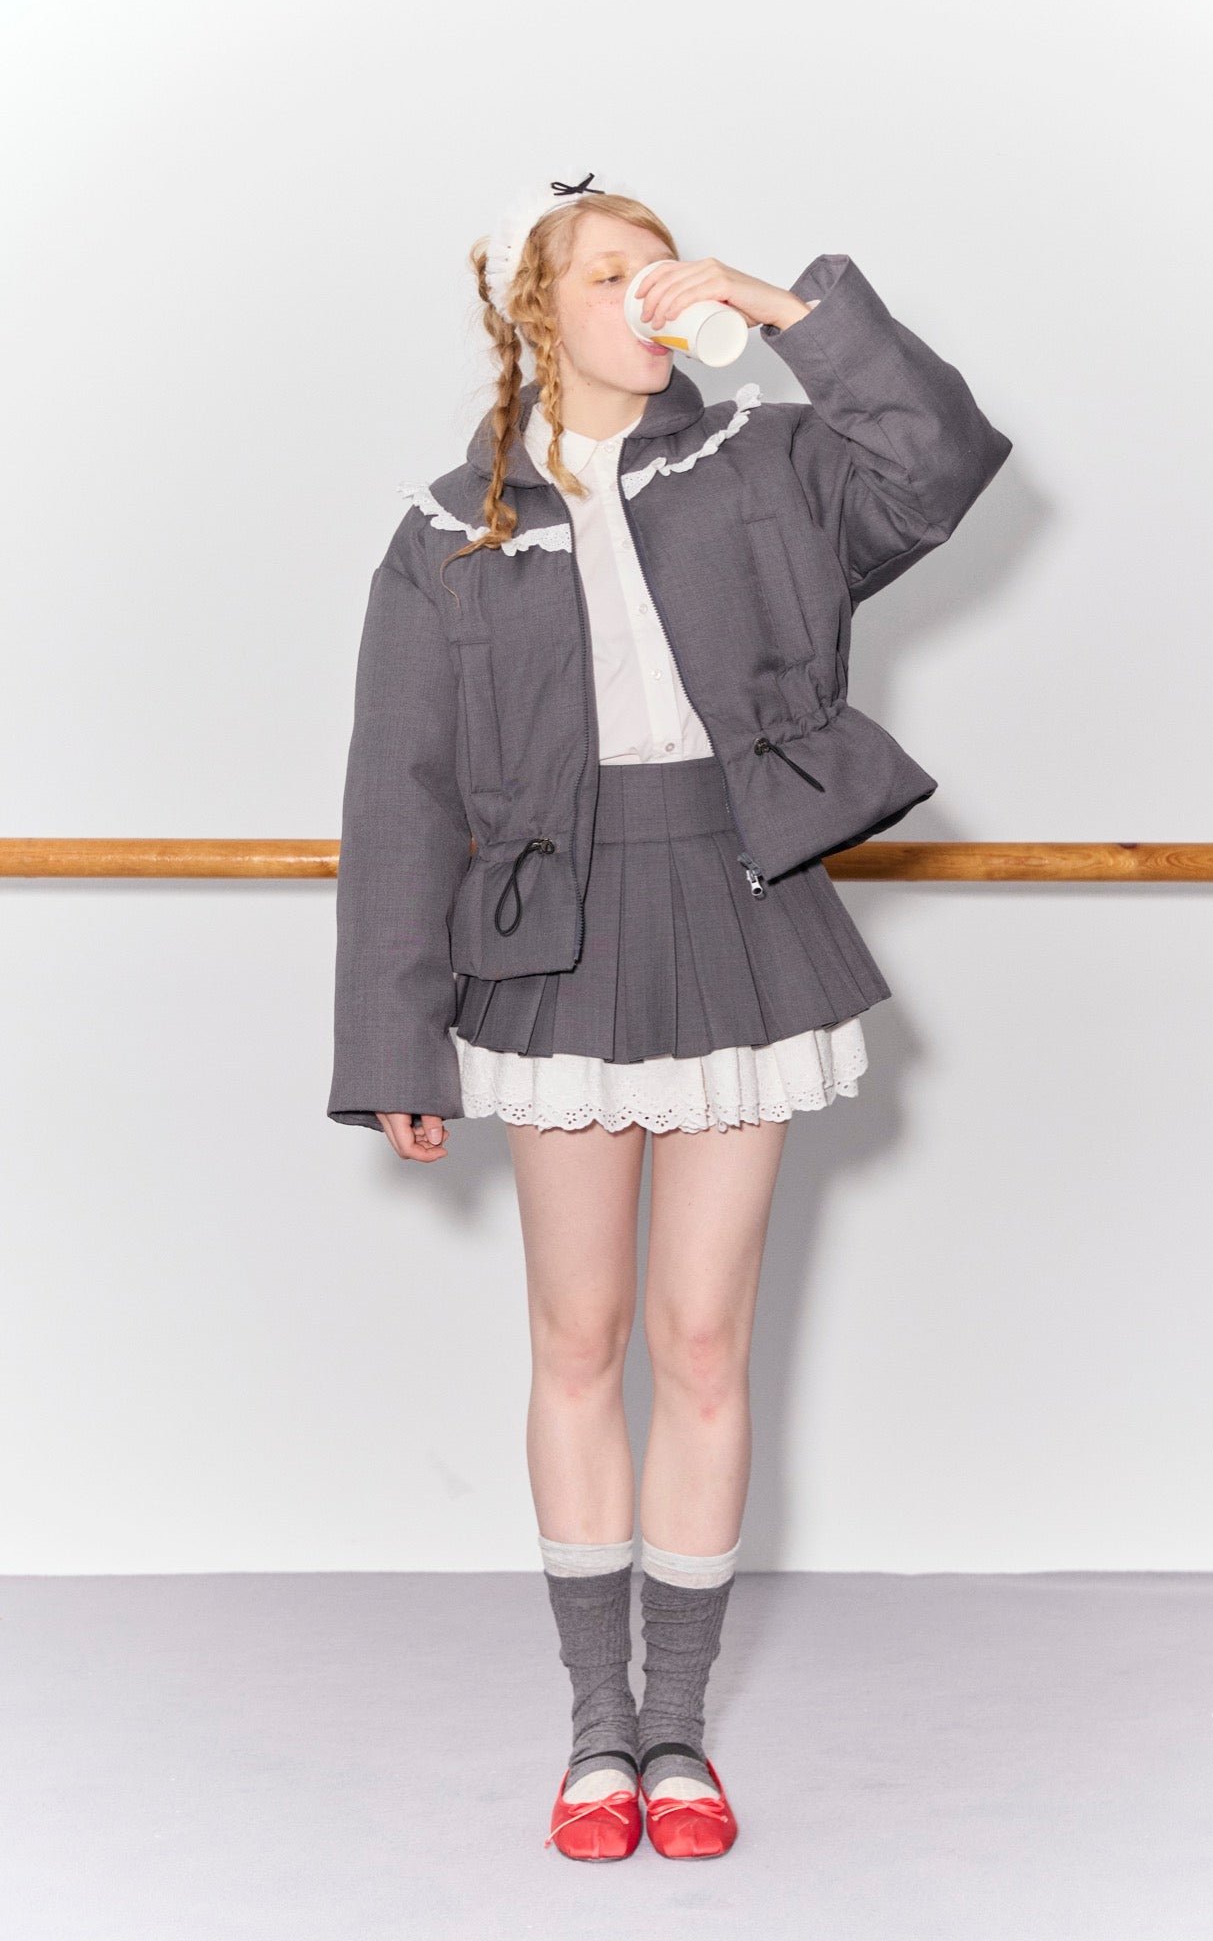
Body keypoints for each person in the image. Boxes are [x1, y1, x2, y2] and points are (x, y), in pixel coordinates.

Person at [327, 172, 1013, 1861]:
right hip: (548, 941)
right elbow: (401, 796)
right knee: (577, 1342)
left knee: (702, 1343)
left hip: (736, 904)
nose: (648, 291)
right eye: (607, 273)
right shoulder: (446, 530)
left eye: (661, 265)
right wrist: (392, 1040)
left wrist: (778, 309)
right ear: (530, 314)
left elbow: (938, 459)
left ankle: (681, 1734)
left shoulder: (767, 463)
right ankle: (594, 1732)